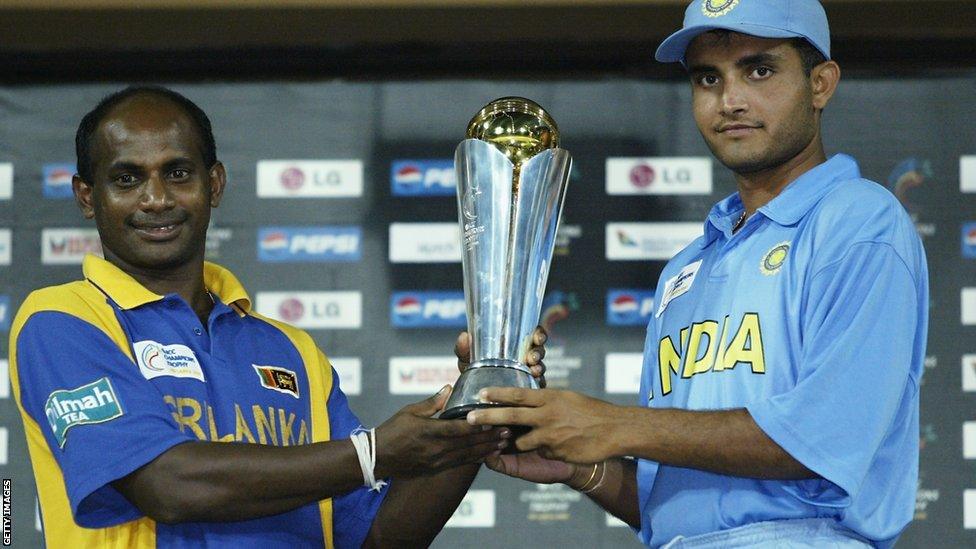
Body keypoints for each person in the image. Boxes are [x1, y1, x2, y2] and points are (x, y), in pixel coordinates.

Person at [467, 1, 928, 547]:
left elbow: (824, 440)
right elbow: (676, 504)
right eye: (708, 78)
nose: (729, 100)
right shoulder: (687, 268)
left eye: (759, 70)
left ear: (821, 83)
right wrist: (578, 464)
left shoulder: (857, 220)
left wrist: (612, 425)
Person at [8, 85, 546, 548]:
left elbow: (378, 536)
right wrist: (373, 453)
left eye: (177, 172)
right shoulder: (63, 320)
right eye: (127, 179)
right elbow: (168, 486)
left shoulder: (291, 352)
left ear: (214, 184)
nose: (155, 198)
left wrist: (479, 404)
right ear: (86, 196)